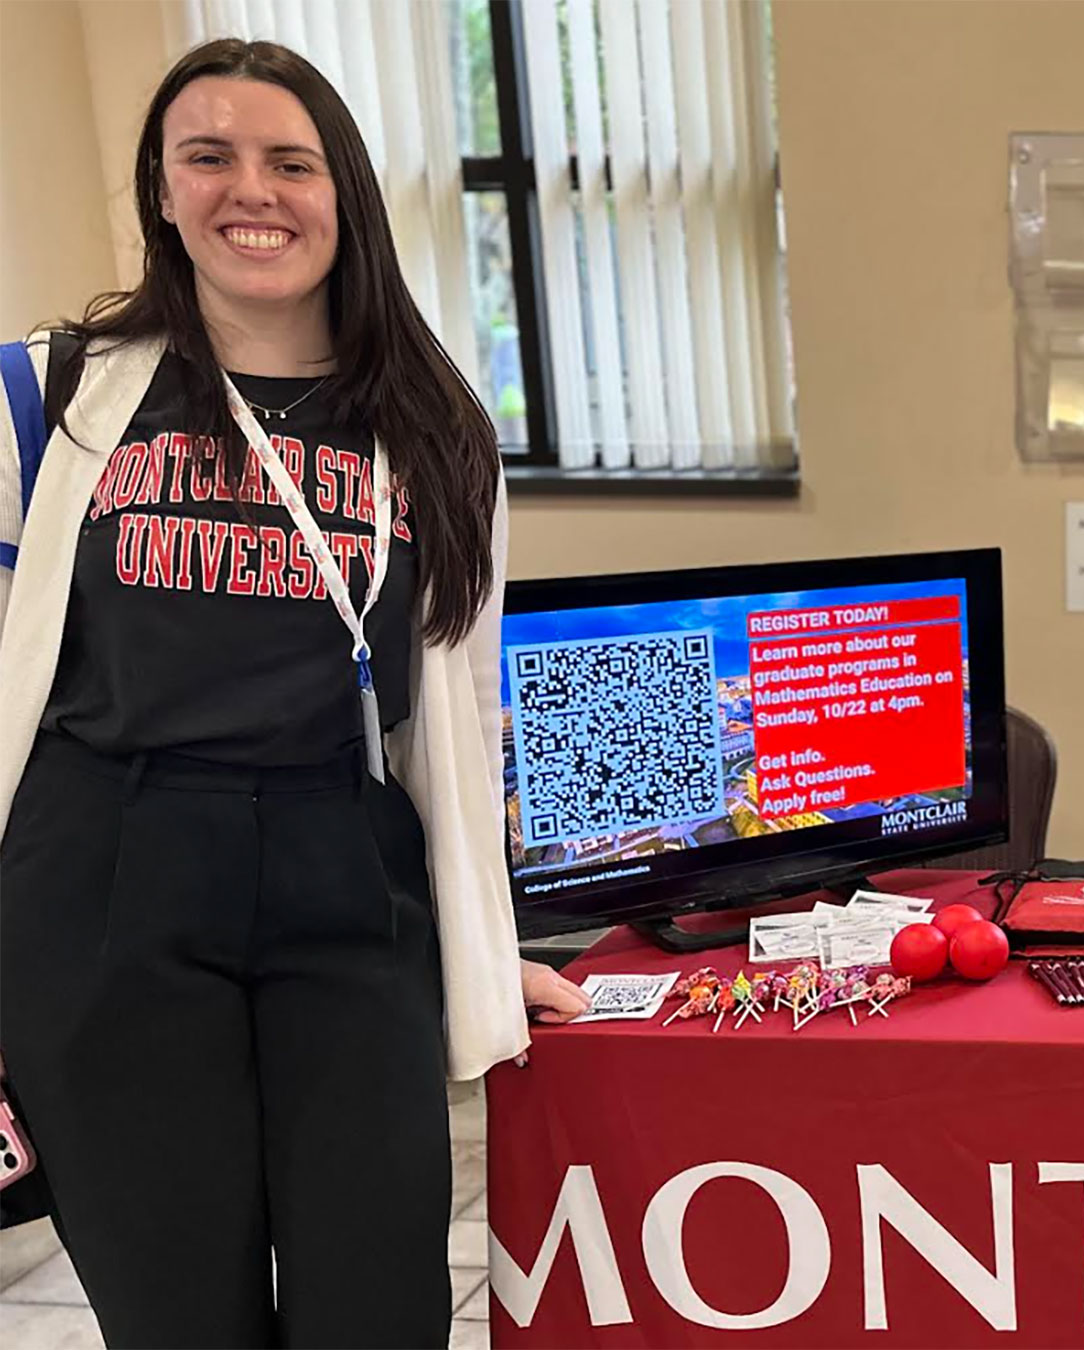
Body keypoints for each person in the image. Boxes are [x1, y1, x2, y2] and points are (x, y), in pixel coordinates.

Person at [0, 40, 590, 1346]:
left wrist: (487, 945)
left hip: (343, 866)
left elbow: (450, 713)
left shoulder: (434, 426)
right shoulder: (46, 395)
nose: (250, 191)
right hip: (106, 874)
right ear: (162, 189)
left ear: (343, 192)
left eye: (290, 162)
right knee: (179, 1315)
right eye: (207, 156)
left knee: (377, 1305)